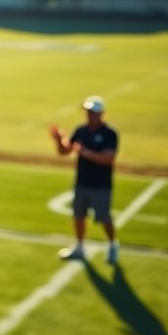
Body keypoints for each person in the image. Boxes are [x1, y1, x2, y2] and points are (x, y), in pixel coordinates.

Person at [49, 94, 120, 264]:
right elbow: (65, 151)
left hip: (101, 185)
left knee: (103, 218)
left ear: (101, 113)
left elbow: (108, 159)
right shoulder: (81, 130)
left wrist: (85, 153)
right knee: (78, 216)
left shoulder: (109, 134)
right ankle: (79, 247)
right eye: (87, 111)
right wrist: (59, 140)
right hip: (82, 182)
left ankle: (112, 245)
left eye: (93, 112)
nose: (89, 115)